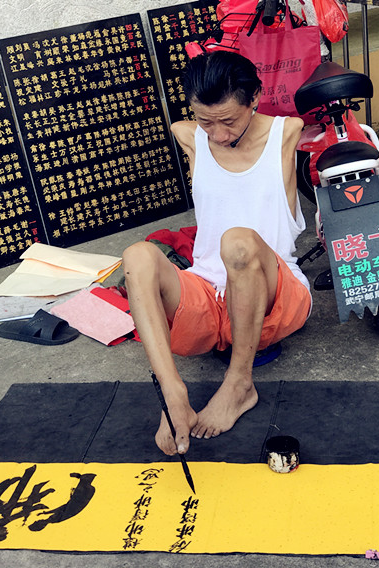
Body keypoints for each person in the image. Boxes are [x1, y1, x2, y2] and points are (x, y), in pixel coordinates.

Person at [122, 50, 311, 457]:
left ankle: (240, 383)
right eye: (206, 122)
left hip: (276, 294)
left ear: (255, 98)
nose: (219, 135)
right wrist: (206, 129)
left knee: (237, 242)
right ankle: (173, 393)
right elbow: (201, 131)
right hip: (208, 294)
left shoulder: (286, 134)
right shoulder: (190, 137)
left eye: (229, 121)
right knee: (137, 256)